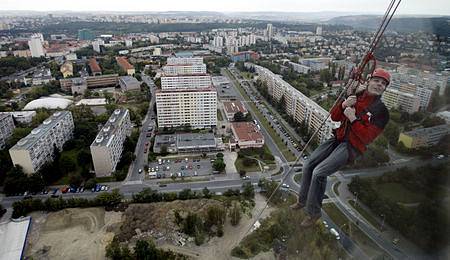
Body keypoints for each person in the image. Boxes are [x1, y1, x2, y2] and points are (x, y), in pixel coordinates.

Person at [291, 68, 391, 227]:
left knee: (319, 172)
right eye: (376, 81)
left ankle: (313, 213)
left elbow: (367, 137)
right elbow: (335, 116)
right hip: (338, 138)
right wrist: (344, 104)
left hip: (351, 146)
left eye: (383, 84)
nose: (379, 85)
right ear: (369, 81)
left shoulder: (381, 112)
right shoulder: (356, 96)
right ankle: (302, 200)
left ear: (385, 89)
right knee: (308, 165)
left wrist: (352, 119)